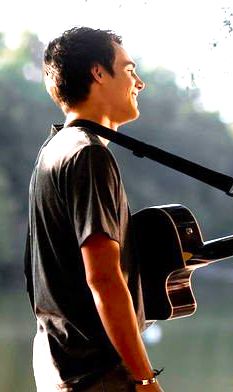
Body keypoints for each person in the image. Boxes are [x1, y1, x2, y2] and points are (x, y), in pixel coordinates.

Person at [25, 27, 163, 391]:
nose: (140, 83)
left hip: (61, 370)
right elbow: (103, 278)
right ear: (98, 73)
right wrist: (145, 380)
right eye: (129, 69)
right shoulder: (88, 155)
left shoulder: (53, 150)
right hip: (97, 377)